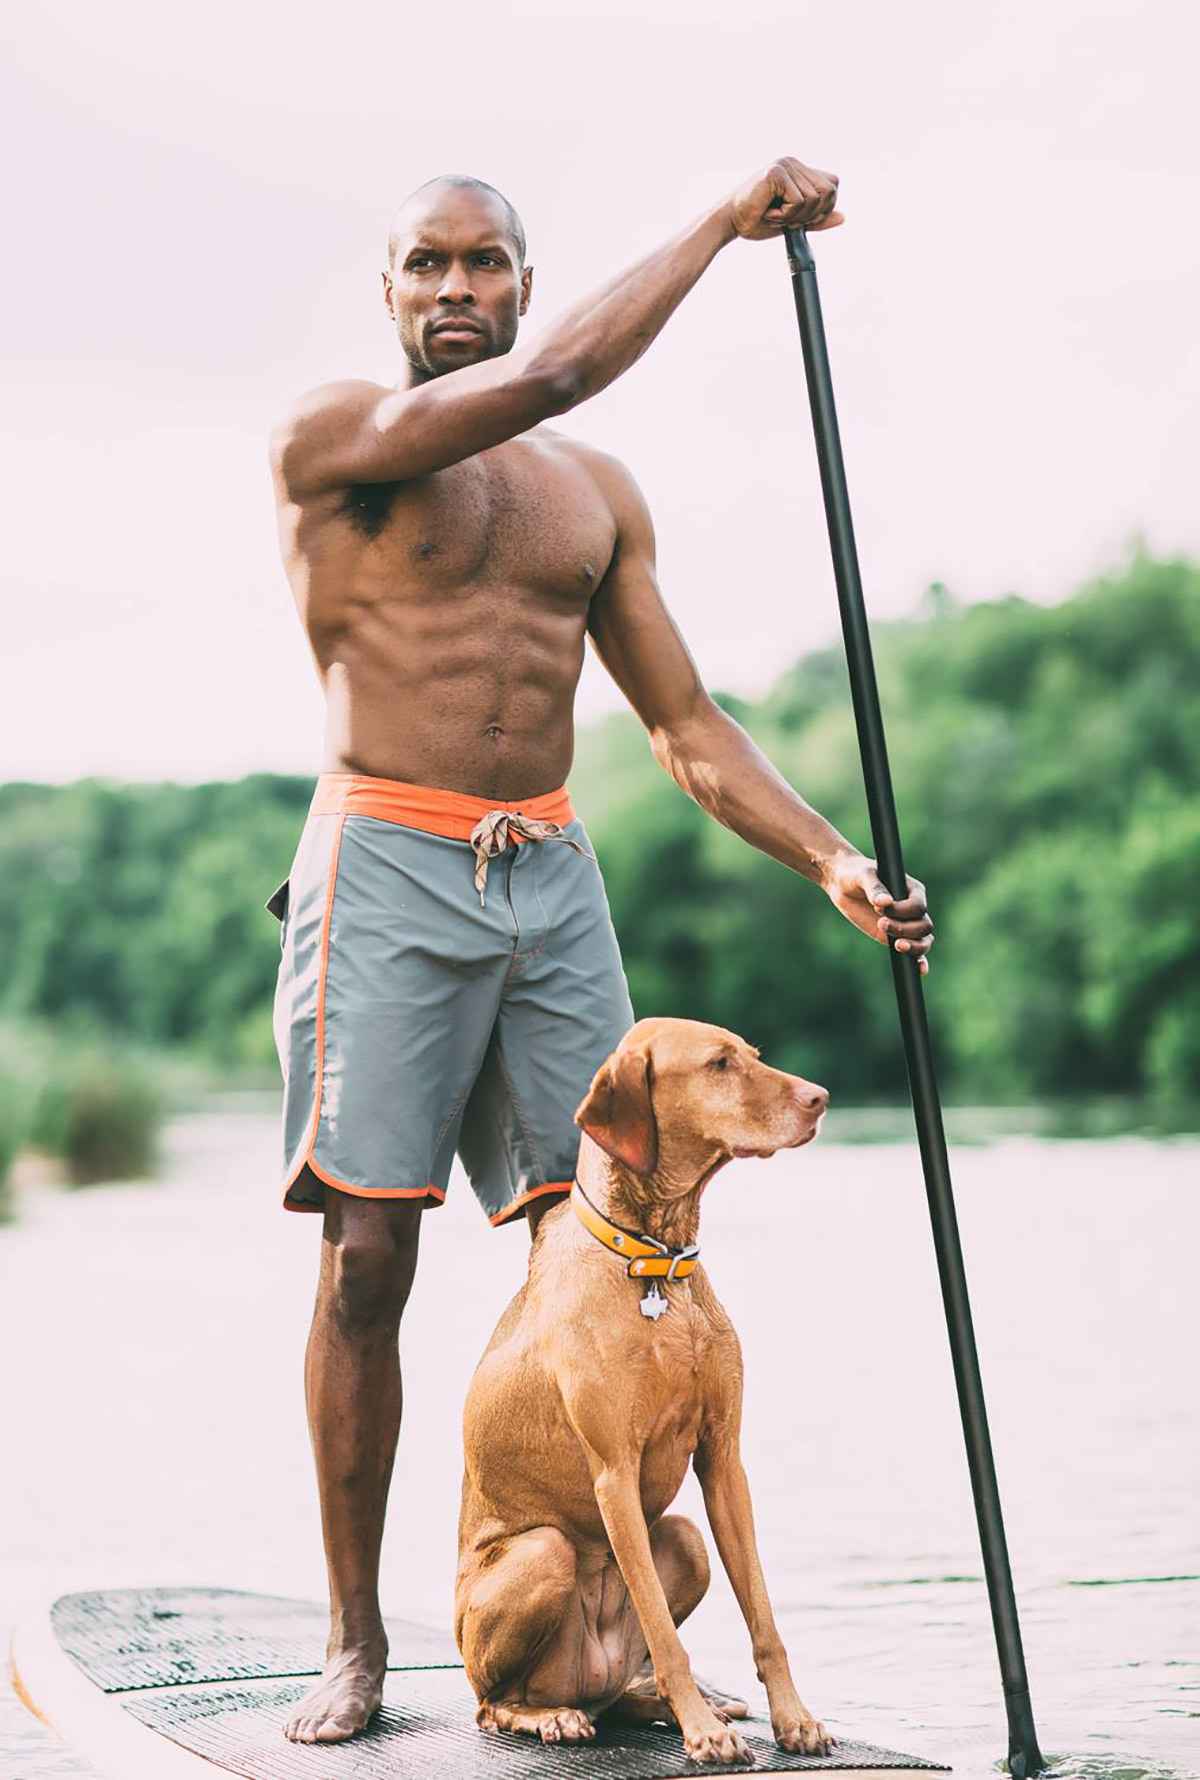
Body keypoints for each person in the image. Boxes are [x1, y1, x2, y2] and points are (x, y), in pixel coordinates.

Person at [266, 157, 933, 1745]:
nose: (452, 292)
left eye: (482, 265)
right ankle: (361, 1638)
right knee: (369, 1259)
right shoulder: (333, 440)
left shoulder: (592, 494)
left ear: (517, 277)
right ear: (387, 291)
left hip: (551, 868)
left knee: (617, 1244)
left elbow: (688, 725)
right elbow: (559, 371)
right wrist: (721, 221)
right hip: (390, 857)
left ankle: (609, 1623)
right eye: (422, 263)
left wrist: (830, 855)